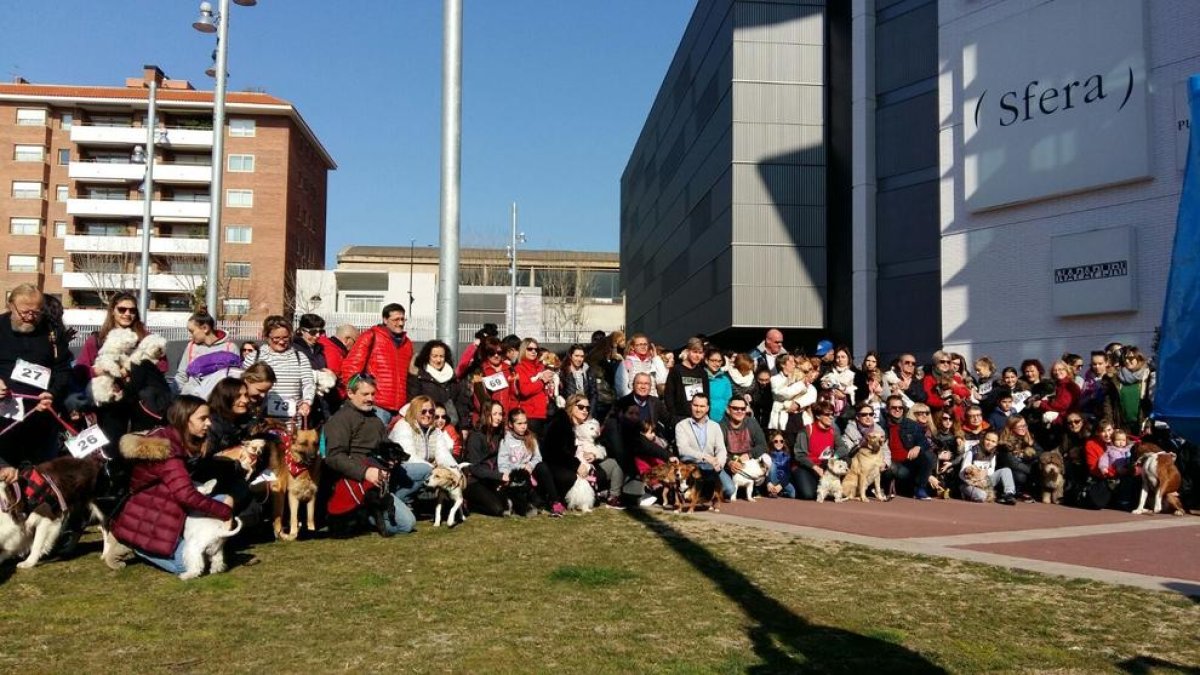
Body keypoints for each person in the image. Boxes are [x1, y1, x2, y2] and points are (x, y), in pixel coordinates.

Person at [109, 396, 235, 574]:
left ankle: (206, 547)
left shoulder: (174, 438)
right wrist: (225, 512)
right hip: (150, 516)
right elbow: (186, 496)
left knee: (225, 499)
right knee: (187, 566)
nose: (208, 423)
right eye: (202, 419)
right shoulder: (169, 453)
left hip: (164, 505)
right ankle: (136, 546)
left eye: (209, 418)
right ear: (184, 418)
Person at [323, 374, 423, 534]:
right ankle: (369, 513)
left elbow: (385, 444)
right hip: (359, 481)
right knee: (407, 525)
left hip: (382, 474)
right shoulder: (340, 420)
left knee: (424, 470)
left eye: (373, 394)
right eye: (365, 394)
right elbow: (334, 457)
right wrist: (365, 472)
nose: (370, 398)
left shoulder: (375, 419)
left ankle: (392, 500)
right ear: (350, 393)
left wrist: (393, 459)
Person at [0, 284, 71, 465]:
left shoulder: (53, 332)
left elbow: (63, 370)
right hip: (4, 418)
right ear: (10, 305)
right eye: (24, 312)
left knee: (39, 476)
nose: (30, 318)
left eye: (36, 313)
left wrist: (53, 392)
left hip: (41, 417)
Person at [542, 393, 625, 508]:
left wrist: (594, 455)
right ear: (571, 406)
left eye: (588, 408)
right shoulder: (561, 423)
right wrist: (577, 465)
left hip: (589, 466)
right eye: (581, 407)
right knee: (573, 477)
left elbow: (602, 447)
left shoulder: (588, 425)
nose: (585, 410)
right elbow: (556, 452)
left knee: (614, 464)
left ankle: (613, 497)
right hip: (564, 468)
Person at [339, 303, 413, 425]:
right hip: (376, 405)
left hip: (399, 409)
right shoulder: (371, 336)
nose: (400, 323)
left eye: (402, 319)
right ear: (385, 319)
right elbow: (352, 366)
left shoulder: (407, 344)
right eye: (396, 319)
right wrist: (355, 396)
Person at [73, 292, 165, 382]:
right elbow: (80, 371)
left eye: (132, 310)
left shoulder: (146, 338)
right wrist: (99, 370)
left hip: (138, 393)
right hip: (105, 392)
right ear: (113, 311)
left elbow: (163, 366)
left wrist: (130, 370)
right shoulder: (97, 339)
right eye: (122, 309)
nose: (127, 313)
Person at [243, 316, 314, 425]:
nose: (281, 342)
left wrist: (307, 402)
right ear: (266, 336)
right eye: (276, 338)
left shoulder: (300, 357)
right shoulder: (253, 358)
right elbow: (242, 385)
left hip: (292, 423)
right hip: (261, 421)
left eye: (285, 337)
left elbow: (308, 383)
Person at [498, 408, 564, 516]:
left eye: (525, 423)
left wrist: (529, 465)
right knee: (527, 509)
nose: (523, 426)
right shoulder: (505, 442)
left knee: (542, 466)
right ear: (511, 424)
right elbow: (503, 464)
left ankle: (555, 501)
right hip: (515, 477)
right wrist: (517, 469)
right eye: (519, 423)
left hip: (531, 475)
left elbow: (537, 457)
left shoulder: (531, 438)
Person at [674, 394, 733, 499]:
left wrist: (719, 463)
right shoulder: (681, 425)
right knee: (691, 460)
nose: (698, 409)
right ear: (691, 406)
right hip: (691, 464)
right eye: (695, 405)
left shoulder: (715, 426)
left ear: (707, 408)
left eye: (702, 406)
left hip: (711, 465)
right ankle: (700, 493)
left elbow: (721, 448)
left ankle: (703, 492)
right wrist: (705, 457)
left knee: (729, 489)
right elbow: (683, 449)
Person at [463, 401, 515, 516]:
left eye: (500, 414)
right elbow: (474, 468)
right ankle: (469, 503)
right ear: (486, 414)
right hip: (474, 481)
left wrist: (503, 475)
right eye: (495, 414)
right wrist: (499, 476)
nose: (498, 417)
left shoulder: (499, 433)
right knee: (498, 509)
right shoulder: (475, 436)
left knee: (507, 506)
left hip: (490, 478)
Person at [880, 394, 934, 500]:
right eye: (894, 407)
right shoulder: (882, 426)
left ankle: (920, 489)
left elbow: (924, 442)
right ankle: (885, 487)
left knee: (927, 455)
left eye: (900, 407)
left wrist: (918, 446)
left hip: (907, 464)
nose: (897, 410)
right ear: (887, 409)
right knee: (889, 467)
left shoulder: (911, 425)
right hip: (888, 462)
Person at [408, 339, 471, 429]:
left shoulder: (452, 377)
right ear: (428, 357)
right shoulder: (419, 377)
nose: (438, 360)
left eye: (441, 356)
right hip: (427, 426)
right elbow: (413, 402)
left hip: (450, 427)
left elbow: (461, 404)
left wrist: (464, 427)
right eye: (434, 356)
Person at [174, 310, 240, 394]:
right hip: (193, 401)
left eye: (192, 331)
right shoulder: (191, 347)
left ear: (205, 328)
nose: (190, 335)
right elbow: (182, 375)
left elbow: (234, 379)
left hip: (217, 400)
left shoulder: (230, 348)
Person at [388, 394, 456, 471]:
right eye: (423, 411)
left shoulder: (435, 431)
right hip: (401, 469)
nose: (428, 414)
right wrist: (432, 468)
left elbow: (444, 455)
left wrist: (454, 469)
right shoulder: (403, 426)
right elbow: (408, 457)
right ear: (415, 411)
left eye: (431, 411)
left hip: (425, 469)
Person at [792, 401, 844, 500]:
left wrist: (834, 457)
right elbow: (800, 455)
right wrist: (814, 467)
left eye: (832, 414)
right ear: (818, 416)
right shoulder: (806, 431)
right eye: (827, 414)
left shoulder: (833, 431)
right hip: (805, 467)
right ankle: (792, 482)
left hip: (824, 466)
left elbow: (843, 448)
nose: (831, 417)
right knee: (808, 495)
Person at [720, 395, 768, 492]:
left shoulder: (752, 423)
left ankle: (758, 488)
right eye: (735, 408)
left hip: (748, 462)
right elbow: (718, 450)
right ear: (728, 409)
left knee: (768, 461)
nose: (739, 411)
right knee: (728, 490)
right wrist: (729, 462)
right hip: (730, 465)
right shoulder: (721, 426)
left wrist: (749, 455)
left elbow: (763, 445)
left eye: (742, 409)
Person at [468, 336, 517, 424]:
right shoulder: (479, 372)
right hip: (487, 419)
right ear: (486, 353)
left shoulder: (510, 370)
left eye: (499, 352)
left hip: (507, 419)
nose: (496, 355)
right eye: (491, 353)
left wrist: (512, 415)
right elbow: (479, 399)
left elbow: (515, 395)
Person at [959, 431, 1017, 505]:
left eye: (993, 441)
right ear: (983, 440)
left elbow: (991, 470)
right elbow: (961, 473)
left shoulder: (994, 454)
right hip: (969, 483)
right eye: (988, 440)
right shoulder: (972, 451)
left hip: (985, 481)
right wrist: (975, 481)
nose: (990, 443)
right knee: (982, 496)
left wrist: (985, 473)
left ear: (996, 444)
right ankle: (965, 493)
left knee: (1006, 470)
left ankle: (1009, 494)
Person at [513, 337, 555, 438]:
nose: (533, 351)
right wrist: (541, 381)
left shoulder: (541, 367)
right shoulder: (519, 368)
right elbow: (525, 390)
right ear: (523, 350)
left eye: (536, 349)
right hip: (531, 415)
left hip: (546, 413)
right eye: (530, 349)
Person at [614, 332, 668, 398]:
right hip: (633, 403)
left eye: (645, 344)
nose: (643, 347)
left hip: (651, 402)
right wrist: (632, 400)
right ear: (633, 347)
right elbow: (621, 387)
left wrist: (656, 358)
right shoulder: (628, 362)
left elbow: (663, 380)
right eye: (639, 344)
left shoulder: (653, 362)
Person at [559, 343, 598, 414]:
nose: (579, 359)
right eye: (576, 356)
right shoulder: (563, 372)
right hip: (569, 412)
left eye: (582, 356)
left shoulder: (588, 371)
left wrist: (590, 412)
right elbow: (561, 394)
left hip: (585, 411)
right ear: (570, 356)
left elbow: (594, 394)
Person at [704, 349, 734, 423]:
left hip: (722, 420)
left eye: (719, 361)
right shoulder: (701, 377)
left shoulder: (725, 379)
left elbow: (729, 399)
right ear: (706, 361)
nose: (717, 364)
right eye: (713, 360)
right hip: (703, 419)